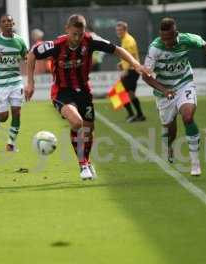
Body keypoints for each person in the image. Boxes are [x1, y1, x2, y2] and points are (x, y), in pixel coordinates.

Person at [25, 14, 150, 180]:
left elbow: (117, 49)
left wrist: (136, 64)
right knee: (77, 122)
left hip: (84, 91)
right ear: (67, 30)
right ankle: (82, 164)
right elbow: (32, 54)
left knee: (89, 130)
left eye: (80, 33)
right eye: (74, 34)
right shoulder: (56, 45)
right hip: (62, 92)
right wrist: (30, 83)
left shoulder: (90, 40)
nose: (77, 38)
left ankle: (87, 160)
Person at [142, 17, 206, 176]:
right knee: (170, 130)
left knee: (188, 117)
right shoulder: (155, 48)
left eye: (170, 38)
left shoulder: (187, 39)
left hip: (185, 83)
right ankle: (169, 146)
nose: (167, 42)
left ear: (176, 33)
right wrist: (164, 90)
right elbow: (146, 76)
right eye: (164, 38)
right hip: (165, 91)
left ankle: (195, 163)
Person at [0, 14, 28, 152]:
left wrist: (28, 59)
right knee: (3, 117)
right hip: (0, 83)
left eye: (9, 21)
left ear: (13, 23)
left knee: (17, 112)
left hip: (16, 82)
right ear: (0, 25)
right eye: (4, 21)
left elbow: (26, 55)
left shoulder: (20, 41)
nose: (7, 23)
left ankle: (11, 144)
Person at [115, 21, 146, 122]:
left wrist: (126, 69)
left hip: (132, 71)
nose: (118, 32)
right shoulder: (125, 39)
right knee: (128, 93)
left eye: (120, 30)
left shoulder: (128, 40)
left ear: (125, 30)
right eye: (117, 30)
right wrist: (121, 63)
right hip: (132, 70)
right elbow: (127, 56)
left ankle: (134, 114)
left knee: (120, 92)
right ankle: (138, 115)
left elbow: (131, 56)